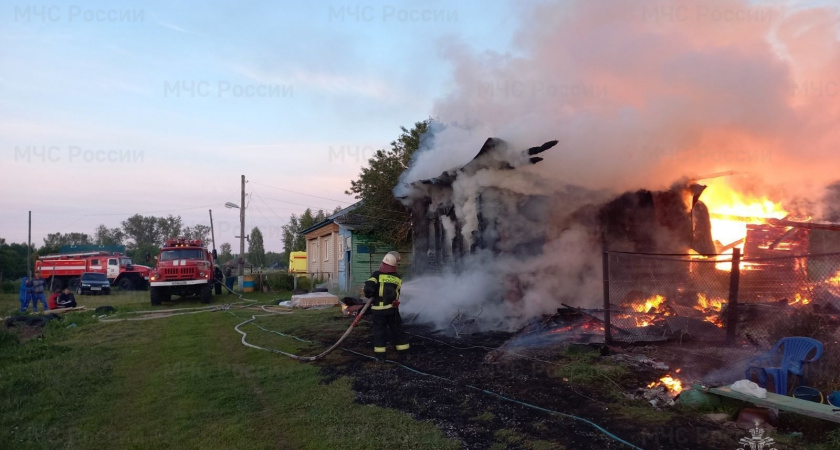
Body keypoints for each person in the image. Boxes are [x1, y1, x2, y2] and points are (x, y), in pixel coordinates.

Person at [363, 251, 409, 362]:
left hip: (379, 311)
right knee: (398, 330)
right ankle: (403, 353)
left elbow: (368, 290)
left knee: (380, 332)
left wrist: (372, 293)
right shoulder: (397, 278)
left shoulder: (376, 275)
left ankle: (380, 357)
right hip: (393, 310)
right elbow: (397, 294)